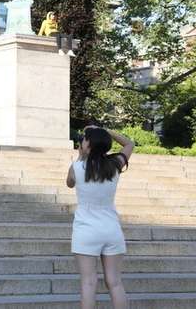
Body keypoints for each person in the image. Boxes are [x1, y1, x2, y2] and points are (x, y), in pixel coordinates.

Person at [66, 126, 134, 309]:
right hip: (112, 230)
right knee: (115, 282)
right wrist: (105, 131)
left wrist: (81, 157)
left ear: (88, 144)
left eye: (85, 138)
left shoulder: (77, 167)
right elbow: (129, 143)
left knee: (88, 283)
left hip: (86, 231)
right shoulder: (115, 165)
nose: (82, 140)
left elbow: (69, 183)